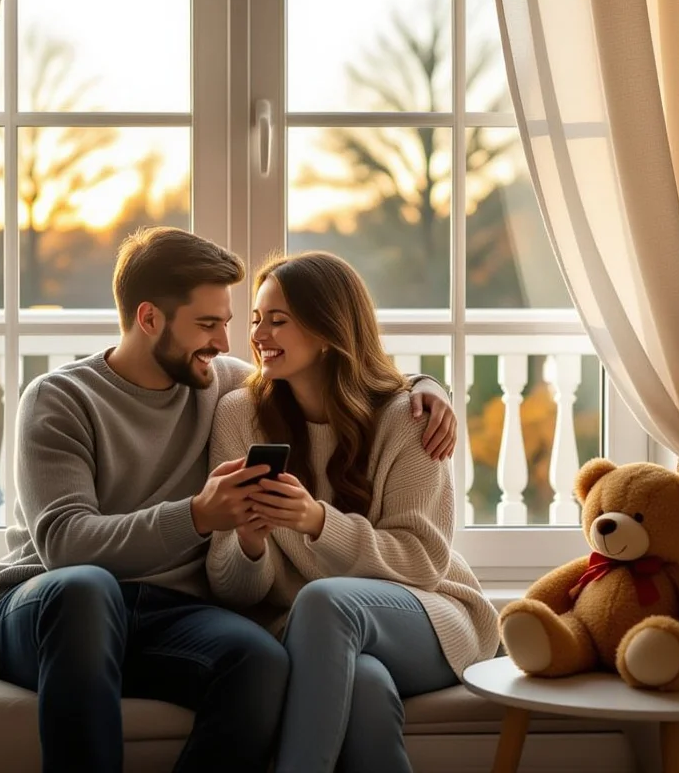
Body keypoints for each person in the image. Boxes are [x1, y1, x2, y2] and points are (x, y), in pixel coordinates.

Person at [0, 228, 457, 773]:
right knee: (88, 588)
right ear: (149, 319)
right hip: (51, 610)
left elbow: (337, 374)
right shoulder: (60, 398)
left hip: (166, 616)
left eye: (231, 323)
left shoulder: (221, 386)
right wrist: (198, 516)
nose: (227, 342)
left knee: (260, 661)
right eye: (208, 324)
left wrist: (429, 389)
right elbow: (66, 545)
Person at [207, 251, 500, 773]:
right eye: (256, 319)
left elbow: (422, 563)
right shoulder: (239, 415)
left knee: (325, 602)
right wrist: (249, 542)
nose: (258, 334)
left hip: (427, 616)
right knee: (364, 686)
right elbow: (234, 591)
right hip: (314, 632)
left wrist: (317, 522)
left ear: (327, 330)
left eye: (278, 320)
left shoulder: (408, 418)